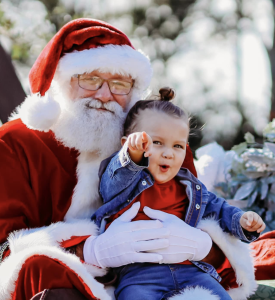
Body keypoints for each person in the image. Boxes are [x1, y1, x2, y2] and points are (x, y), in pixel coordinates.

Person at [0, 19, 222, 300]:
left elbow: (209, 222)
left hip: (156, 277)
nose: (105, 95)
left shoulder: (161, 142)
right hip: (64, 282)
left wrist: (201, 244)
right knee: (39, 265)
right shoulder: (13, 142)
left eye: (119, 84)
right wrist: (89, 250)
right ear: (64, 81)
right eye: (90, 79)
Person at [90, 88, 265, 300]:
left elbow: (218, 209)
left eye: (177, 146)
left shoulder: (189, 187)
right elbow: (112, 182)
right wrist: (131, 155)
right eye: (156, 143)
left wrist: (242, 220)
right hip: (138, 275)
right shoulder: (126, 182)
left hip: (191, 270)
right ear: (127, 144)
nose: (168, 153)